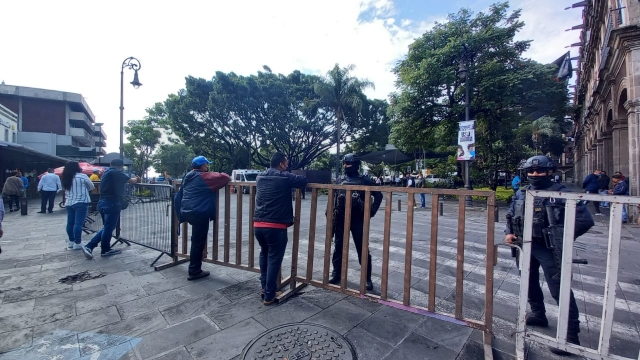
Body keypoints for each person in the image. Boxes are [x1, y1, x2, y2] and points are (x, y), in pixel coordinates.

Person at [505, 155, 592, 356]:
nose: (535, 175)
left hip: (549, 248)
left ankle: (571, 336)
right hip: (525, 245)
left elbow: (584, 220)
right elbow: (511, 214)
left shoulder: (562, 194)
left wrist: (561, 236)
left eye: (540, 171)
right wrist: (509, 232)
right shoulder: (522, 192)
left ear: (551, 172)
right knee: (529, 283)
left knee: (559, 289)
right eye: (531, 171)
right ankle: (538, 313)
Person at [253, 152, 308, 305]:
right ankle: (270, 295)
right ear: (282, 164)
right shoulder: (285, 176)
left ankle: (265, 288)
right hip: (275, 226)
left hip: (258, 224)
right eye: (287, 163)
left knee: (264, 254)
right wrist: (287, 173)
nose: (288, 165)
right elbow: (303, 180)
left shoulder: (260, 177)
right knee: (274, 259)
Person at [329, 154, 383, 291]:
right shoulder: (340, 179)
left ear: (356, 165)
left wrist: (370, 212)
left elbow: (379, 195)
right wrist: (329, 215)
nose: (346, 166)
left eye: (348, 163)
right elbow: (333, 197)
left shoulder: (364, 180)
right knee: (338, 247)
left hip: (358, 219)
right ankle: (336, 273)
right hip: (341, 218)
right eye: (344, 163)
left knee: (362, 248)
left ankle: (367, 277)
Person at [175, 156, 230, 280]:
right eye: (206, 165)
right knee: (198, 242)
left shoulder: (188, 175)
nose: (207, 167)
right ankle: (194, 270)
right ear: (203, 166)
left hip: (187, 211)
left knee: (196, 240)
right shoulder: (204, 176)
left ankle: (195, 266)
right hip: (199, 212)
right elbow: (225, 177)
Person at [82, 159, 140, 259]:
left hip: (102, 201)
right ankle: (98, 247)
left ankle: (95, 246)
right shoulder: (116, 172)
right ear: (122, 166)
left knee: (106, 227)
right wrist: (137, 179)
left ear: (110, 164)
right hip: (112, 203)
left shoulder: (106, 172)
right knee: (108, 227)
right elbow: (131, 181)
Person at [62, 161, 95, 250]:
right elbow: (91, 187)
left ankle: (71, 241)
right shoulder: (82, 176)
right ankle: (78, 242)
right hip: (81, 202)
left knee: (70, 223)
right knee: (78, 223)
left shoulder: (66, 177)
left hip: (69, 202)